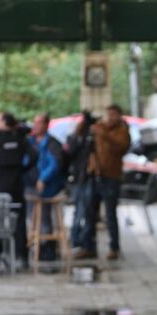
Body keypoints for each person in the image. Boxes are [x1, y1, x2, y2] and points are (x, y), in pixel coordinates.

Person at [0, 112, 35, 266]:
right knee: (18, 219)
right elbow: (34, 155)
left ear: (5, 123)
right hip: (16, 183)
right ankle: (22, 255)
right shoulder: (20, 139)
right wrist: (22, 169)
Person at [89, 104, 131, 261]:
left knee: (110, 213)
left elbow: (121, 147)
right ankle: (90, 246)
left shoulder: (122, 131)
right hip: (97, 174)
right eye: (109, 114)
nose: (110, 117)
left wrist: (104, 133)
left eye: (114, 114)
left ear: (119, 115)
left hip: (112, 176)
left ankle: (114, 247)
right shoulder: (99, 127)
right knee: (91, 212)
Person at [26, 113, 66, 262]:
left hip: (49, 188)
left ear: (46, 125)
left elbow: (54, 164)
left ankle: (48, 247)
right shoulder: (30, 142)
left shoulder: (53, 144)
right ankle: (36, 245)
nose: (35, 126)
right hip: (31, 184)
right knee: (32, 217)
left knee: (45, 218)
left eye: (39, 123)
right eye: (34, 123)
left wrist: (43, 179)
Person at [67, 110, 99, 259]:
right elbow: (70, 154)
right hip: (80, 178)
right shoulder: (75, 138)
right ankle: (76, 241)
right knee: (79, 211)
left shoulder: (93, 138)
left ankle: (86, 243)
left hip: (89, 178)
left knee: (88, 212)